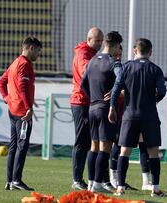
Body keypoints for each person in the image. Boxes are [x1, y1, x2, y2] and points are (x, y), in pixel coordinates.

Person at [108, 38, 167, 197]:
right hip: (149, 116)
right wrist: (151, 100)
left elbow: (116, 89)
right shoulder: (155, 69)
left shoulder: (126, 67)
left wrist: (112, 107)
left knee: (124, 151)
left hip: (129, 115)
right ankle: (155, 188)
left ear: (135, 51)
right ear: (151, 52)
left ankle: (120, 187)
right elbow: (162, 92)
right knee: (153, 152)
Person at [0, 36, 42, 191]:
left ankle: (9, 181)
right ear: (30, 48)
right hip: (23, 113)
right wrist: (28, 107)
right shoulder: (25, 64)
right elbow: (22, 86)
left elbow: (1, 82)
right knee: (22, 146)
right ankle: (16, 180)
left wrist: (6, 98)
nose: (38, 54)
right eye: (37, 51)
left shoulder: (16, 62)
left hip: (13, 110)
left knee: (14, 145)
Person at [81, 31, 123, 193]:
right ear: (115, 45)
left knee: (94, 147)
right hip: (106, 109)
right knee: (105, 148)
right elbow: (121, 78)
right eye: (119, 46)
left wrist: (93, 96)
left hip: (92, 107)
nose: (119, 49)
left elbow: (83, 83)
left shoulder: (92, 61)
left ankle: (91, 183)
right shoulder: (113, 62)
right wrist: (113, 92)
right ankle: (98, 184)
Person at [70, 27, 103, 190]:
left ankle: (94, 179)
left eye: (100, 41)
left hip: (88, 102)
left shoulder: (91, 53)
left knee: (90, 142)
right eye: (96, 40)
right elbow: (88, 75)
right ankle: (77, 179)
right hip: (81, 101)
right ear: (89, 39)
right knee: (82, 142)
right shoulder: (84, 54)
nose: (99, 44)